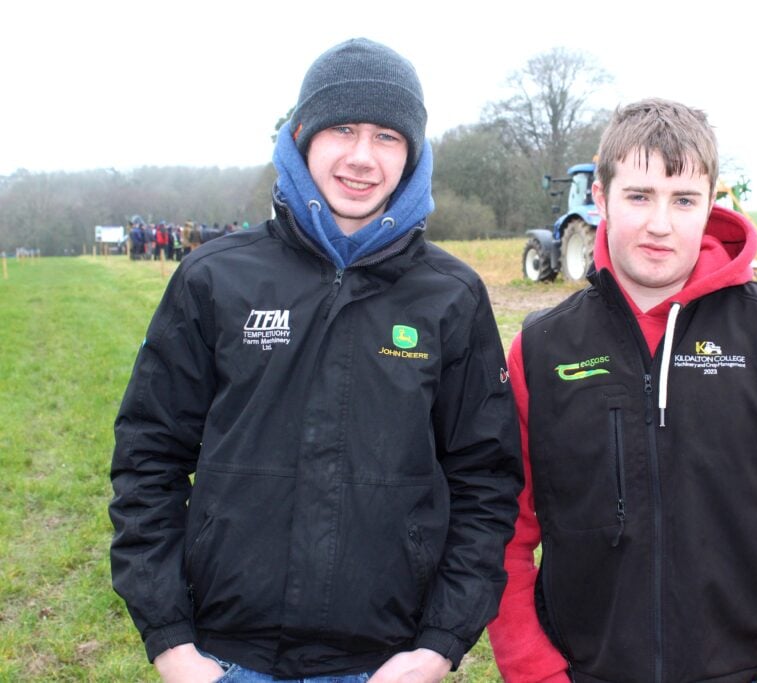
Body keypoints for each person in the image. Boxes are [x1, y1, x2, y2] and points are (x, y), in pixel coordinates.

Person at [110, 38, 522, 683]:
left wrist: (440, 643)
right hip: (222, 659)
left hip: (385, 663)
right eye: (343, 129)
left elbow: (486, 481)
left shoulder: (452, 295)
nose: (362, 156)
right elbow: (147, 459)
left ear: (413, 154)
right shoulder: (213, 278)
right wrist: (168, 640)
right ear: (301, 135)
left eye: (388, 135)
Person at [487, 98, 757, 683]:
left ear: (710, 205)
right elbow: (505, 529)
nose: (660, 223)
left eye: (683, 200)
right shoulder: (543, 348)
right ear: (600, 199)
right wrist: (535, 670)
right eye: (638, 196)